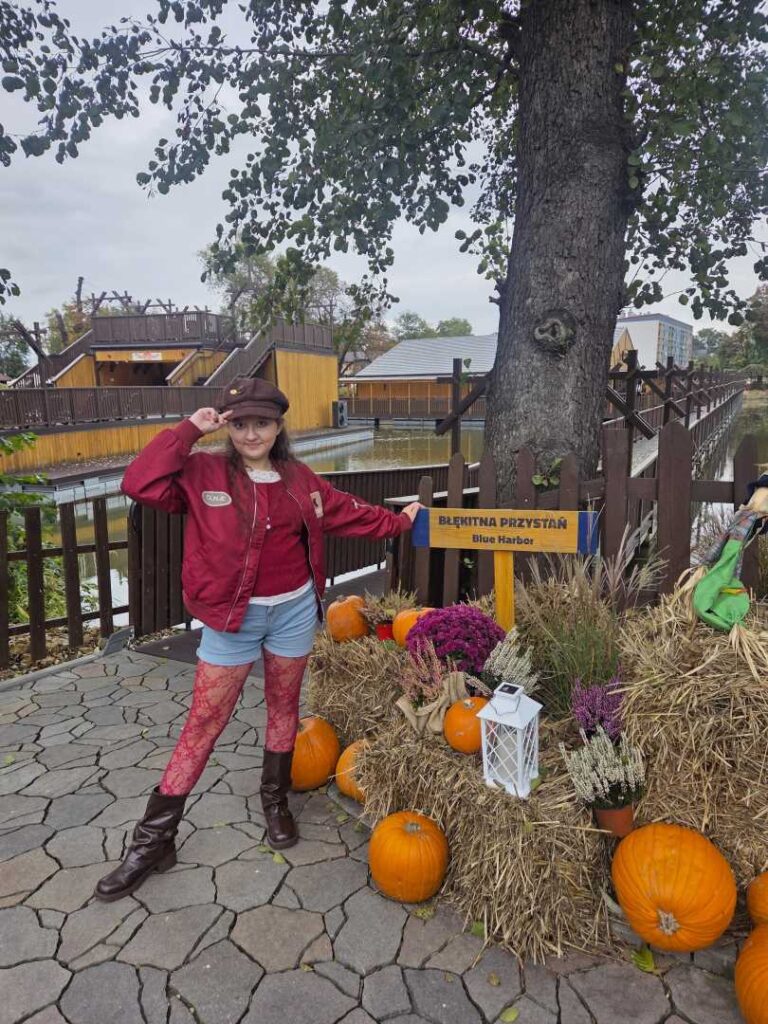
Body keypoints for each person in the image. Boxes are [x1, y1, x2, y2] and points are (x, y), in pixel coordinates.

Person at [95, 377, 421, 901]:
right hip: (230, 622)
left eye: (262, 423)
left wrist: (398, 523)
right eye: (240, 423)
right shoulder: (201, 472)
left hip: (292, 613)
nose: (251, 433)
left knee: (283, 707)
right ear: (227, 425)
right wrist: (189, 430)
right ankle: (153, 840)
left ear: (278, 426)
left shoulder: (300, 479)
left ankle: (275, 801)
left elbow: (344, 511)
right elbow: (138, 483)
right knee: (204, 722)